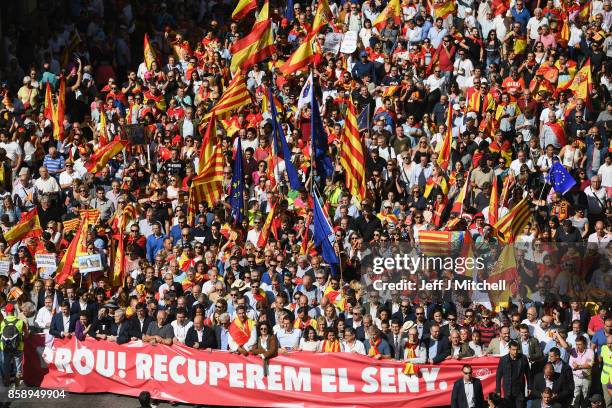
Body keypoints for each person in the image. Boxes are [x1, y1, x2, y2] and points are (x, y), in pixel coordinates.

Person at [496, 341, 531, 408]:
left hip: (519, 391)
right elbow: (498, 376)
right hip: (508, 391)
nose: (515, 352)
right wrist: (498, 390)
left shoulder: (523, 358)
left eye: (517, 350)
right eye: (513, 350)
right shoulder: (503, 359)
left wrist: (529, 387)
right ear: (509, 349)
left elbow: (528, 374)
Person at [0, 303, 28, 387]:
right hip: (18, 347)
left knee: (6, 365)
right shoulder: (20, 322)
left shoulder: (2, 323)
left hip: (5, 347)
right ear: (14, 311)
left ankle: (7, 382)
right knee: (18, 366)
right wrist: (22, 338)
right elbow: (26, 335)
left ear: (6, 311)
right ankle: (16, 384)